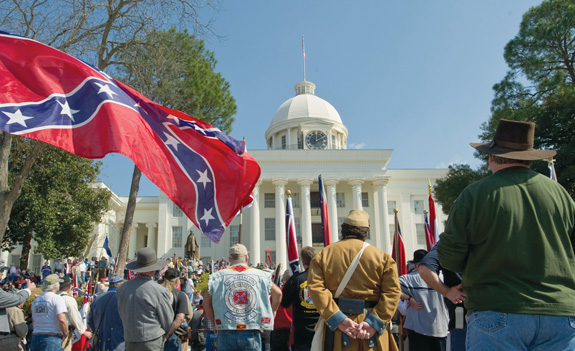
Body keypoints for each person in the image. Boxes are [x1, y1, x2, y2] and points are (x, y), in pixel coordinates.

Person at [437, 119, 575, 351]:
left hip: (497, 308)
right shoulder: (560, 194)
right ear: (529, 158)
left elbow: (449, 258)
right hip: (560, 312)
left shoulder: (475, 194)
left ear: (491, 157)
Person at [307, 209, 401, 351]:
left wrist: (337, 319)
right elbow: (392, 293)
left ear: (343, 230)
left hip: (338, 328)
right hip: (371, 328)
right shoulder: (383, 258)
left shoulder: (323, 255)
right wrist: (374, 323)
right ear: (366, 232)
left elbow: (316, 289)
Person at [203, 243, 282, 351]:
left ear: (230, 258)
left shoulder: (217, 277)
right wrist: (272, 311)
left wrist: (214, 322)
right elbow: (278, 293)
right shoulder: (261, 275)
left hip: (225, 329)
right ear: (246, 257)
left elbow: (206, 302)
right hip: (251, 330)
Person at [117, 247, 173, 351]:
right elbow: (168, 320)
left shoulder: (122, 288)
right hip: (151, 339)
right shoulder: (158, 290)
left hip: (130, 339)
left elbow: (122, 313)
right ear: (153, 269)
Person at [418, 244, 466, 351]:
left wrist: (447, 292)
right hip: (501, 309)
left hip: (462, 316)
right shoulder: (494, 236)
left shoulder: (451, 242)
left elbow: (424, 269)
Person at [398, 250, 448, 351]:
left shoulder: (407, 279)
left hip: (417, 329)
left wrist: (409, 299)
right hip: (441, 328)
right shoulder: (443, 278)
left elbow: (390, 289)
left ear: (416, 266)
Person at [280, 246, 320, 351]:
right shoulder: (324, 279)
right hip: (322, 330)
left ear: (303, 262)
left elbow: (284, 303)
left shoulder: (295, 280)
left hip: (301, 333)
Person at [30, 274, 69, 351]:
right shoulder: (57, 298)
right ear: (56, 286)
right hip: (52, 337)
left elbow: (34, 321)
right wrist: (65, 333)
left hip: (36, 335)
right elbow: (62, 319)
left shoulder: (36, 300)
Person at [87, 273, 125, 351]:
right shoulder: (124, 299)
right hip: (118, 344)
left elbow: (90, 321)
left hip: (100, 342)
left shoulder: (97, 299)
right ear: (121, 284)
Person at [57, 276, 92, 351]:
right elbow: (74, 316)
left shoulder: (52, 297)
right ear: (67, 287)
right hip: (63, 332)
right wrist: (82, 331)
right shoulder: (69, 299)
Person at [160, 268, 189, 351]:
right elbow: (180, 318)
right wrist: (168, 335)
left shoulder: (156, 292)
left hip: (155, 332)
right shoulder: (180, 295)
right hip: (172, 334)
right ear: (177, 281)